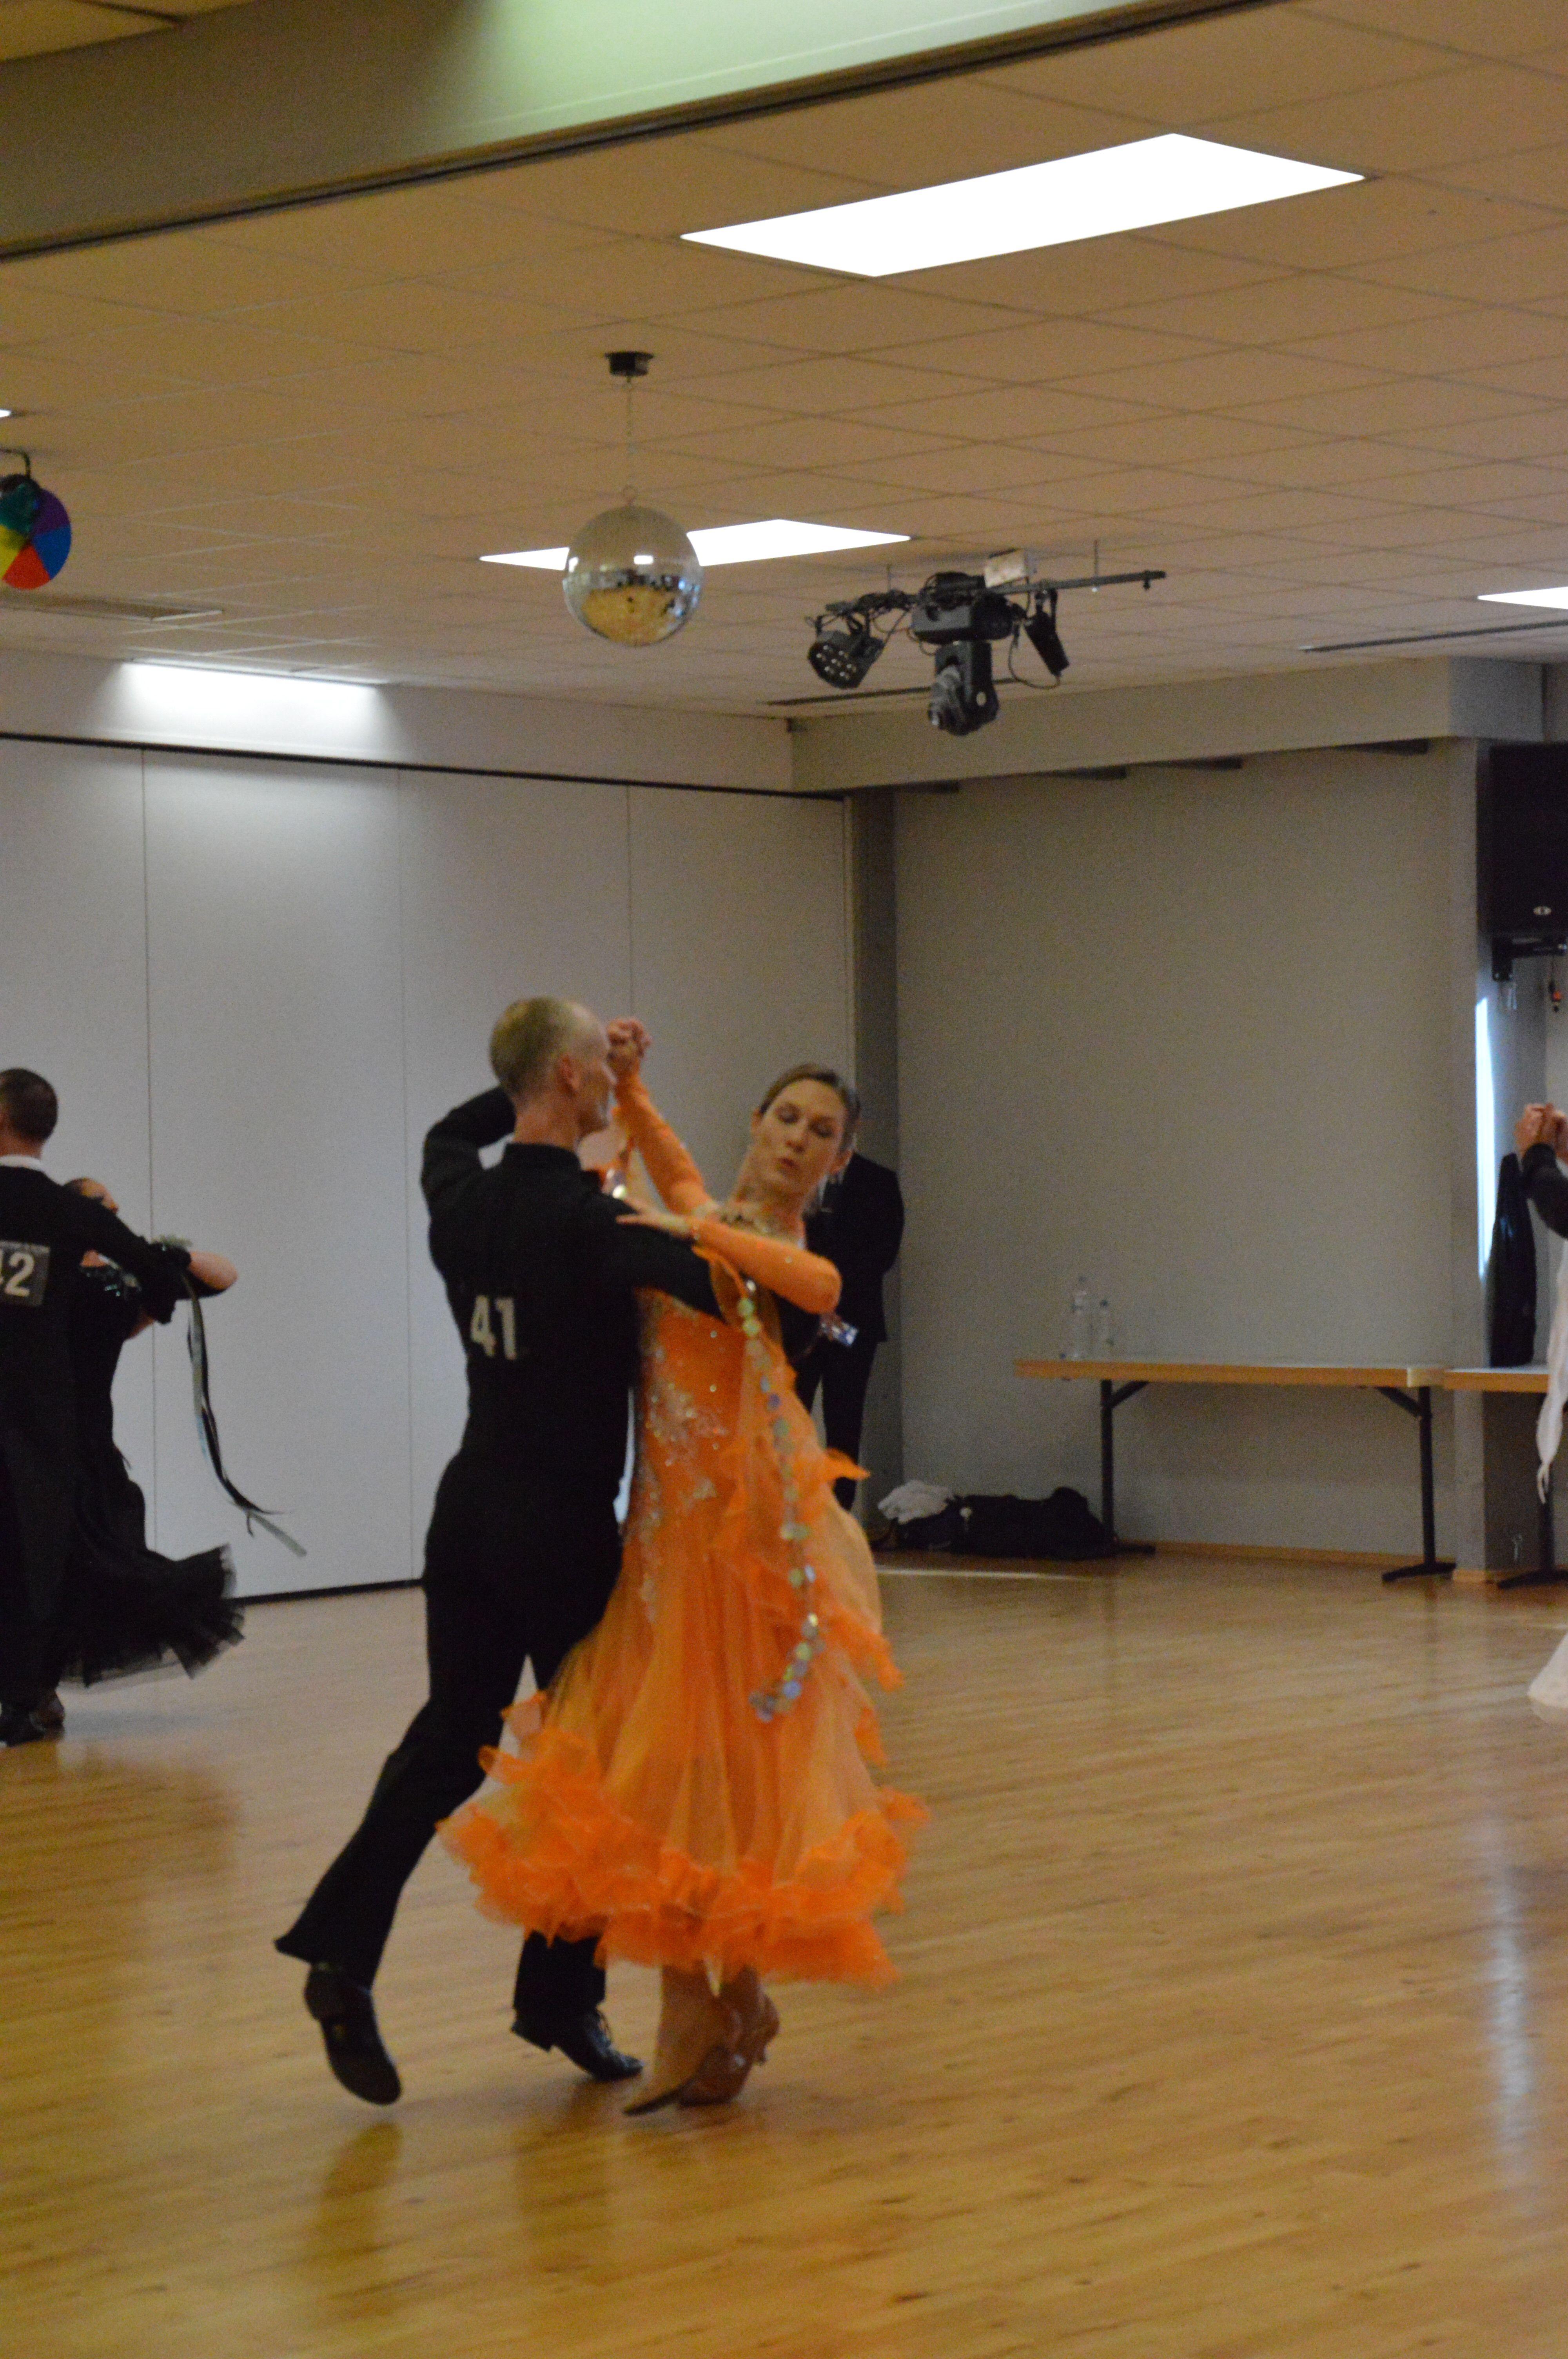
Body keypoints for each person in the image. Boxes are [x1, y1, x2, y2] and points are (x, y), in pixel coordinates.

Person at [443, 1046, 923, 2114]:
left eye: (822, 1133)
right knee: (666, 1768)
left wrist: (678, 1226)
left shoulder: (788, 1250)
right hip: (665, 1544)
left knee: (726, 1772)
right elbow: (674, 1167)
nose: (798, 1139)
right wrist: (633, 1086)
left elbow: (818, 1287)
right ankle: (724, 2002)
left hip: (743, 1547)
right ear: (756, 1119)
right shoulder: (706, 1211)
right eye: (787, 1117)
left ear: (837, 1163)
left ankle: (703, 2006)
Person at [275, 998, 725, 2108]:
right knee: (594, 1762)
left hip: (469, 1509)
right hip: (559, 1527)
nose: (611, 1079)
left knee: (449, 1739)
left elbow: (450, 1129)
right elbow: (717, 1278)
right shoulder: (591, 1222)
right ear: (570, 1076)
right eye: (598, 1066)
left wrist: (538, 1080)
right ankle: (560, 1997)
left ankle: (343, 1957)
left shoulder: (460, 1192)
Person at [0, 1069, 194, 1746]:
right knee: (33, 1554)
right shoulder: (70, 1210)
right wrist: (126, 1321)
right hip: (42, 1413)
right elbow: (162, 1275)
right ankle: (23, 1699)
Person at [35, 1178, 242, 1723]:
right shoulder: (60, 1278)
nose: (114, 1216)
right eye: (103, 1209)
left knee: (84, 1567)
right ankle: (32, 1688)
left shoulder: (117, 1283)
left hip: (89, 1448)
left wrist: (168, 1256)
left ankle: (36, 1688)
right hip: (43, 1442)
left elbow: (222, 1275)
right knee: (51, 1567)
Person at [796, 1123, 904, 1512]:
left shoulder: (878, 1181)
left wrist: (833, 1294)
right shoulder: (799, 1174)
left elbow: (883, 1252)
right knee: (791, 1417)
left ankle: (838, 1514)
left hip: (851, 1320)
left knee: (845, 1422)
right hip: (802, 1321)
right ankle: (791, 1513)